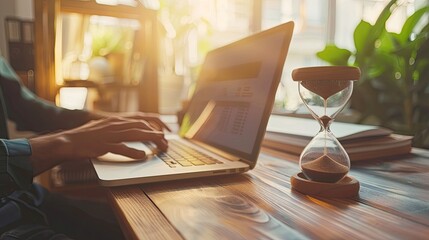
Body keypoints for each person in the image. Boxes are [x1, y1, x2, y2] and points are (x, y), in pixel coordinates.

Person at [0, 55, 169, 240]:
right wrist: (64, 142)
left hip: (26, 199)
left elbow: (25, 107)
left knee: (149, 226)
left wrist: (104, 120)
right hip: (8, 224)